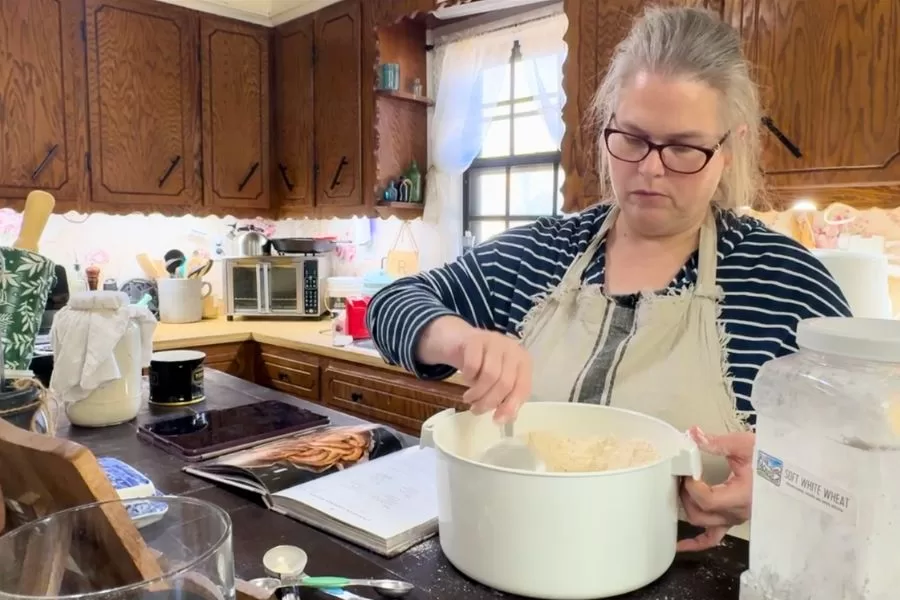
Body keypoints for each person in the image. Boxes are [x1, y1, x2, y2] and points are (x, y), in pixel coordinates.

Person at [366, 6, 851, 551]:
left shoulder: (787, 284)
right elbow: (392, 303)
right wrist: (460, 338)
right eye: (632, 138)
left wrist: (780, 481)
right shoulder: (545, 253)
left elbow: (861, 461)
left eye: (684, 148)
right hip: (520, 558)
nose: (650, 169)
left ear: (729, 147)